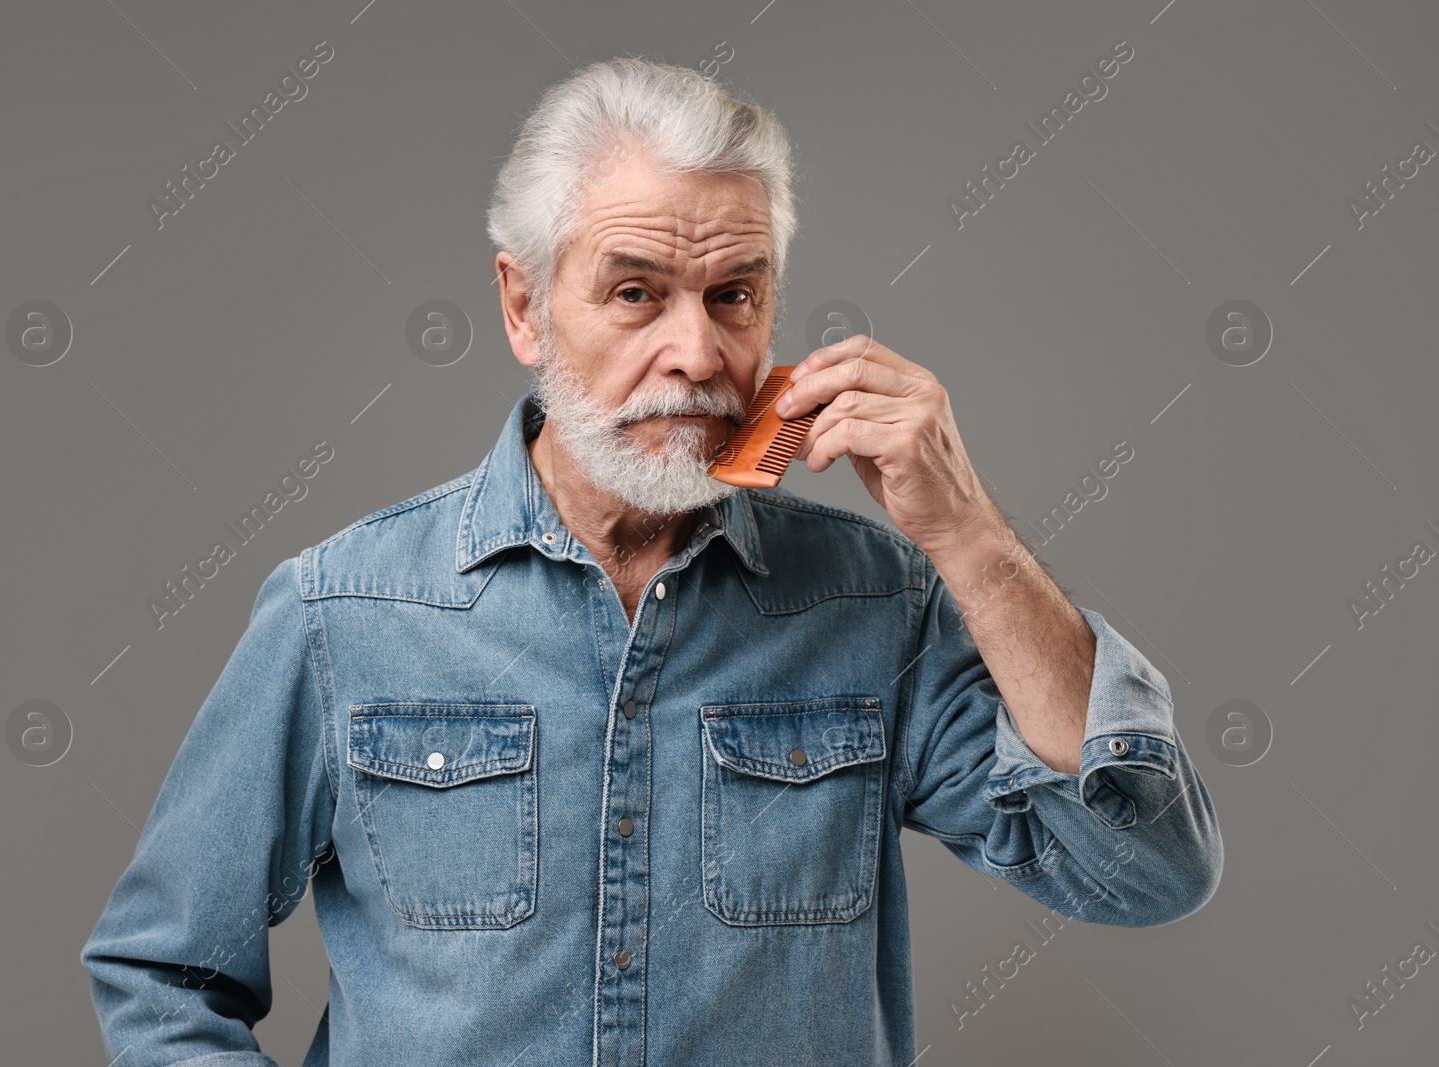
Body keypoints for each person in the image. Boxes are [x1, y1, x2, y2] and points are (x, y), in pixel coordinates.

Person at [81, 55, 1222, 1066]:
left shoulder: (876, 602)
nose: (695, 353)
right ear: (525, 308)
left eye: (735, 295)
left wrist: (966, 531)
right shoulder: (343, 610)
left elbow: (1142, 869)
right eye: (635, 293)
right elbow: (162, 973)